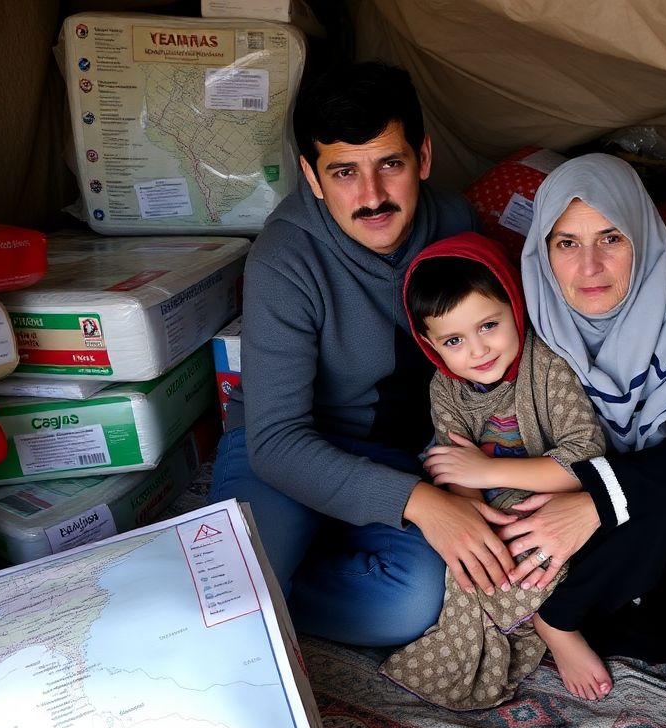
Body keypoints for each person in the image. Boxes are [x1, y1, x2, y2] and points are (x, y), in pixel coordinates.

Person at [207, 61, 516, 648]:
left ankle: (298, 571)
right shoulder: (283, 258)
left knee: (408, 605)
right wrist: (421, 504)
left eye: (390, 165)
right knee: (233, 591)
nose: (371, 197)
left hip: (402, 451)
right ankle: (272, 581)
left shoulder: (455, 222)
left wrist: (454, 481)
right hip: (287, 449)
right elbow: (275, 442)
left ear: (422, 158)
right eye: (344, 171)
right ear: (311, 176)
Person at [505, 153, 666, 699]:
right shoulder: (533, 312)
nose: (589, 267)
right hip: (574, 499)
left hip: (659, 511)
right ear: (543, 252)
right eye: (567, 243)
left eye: (611, 238)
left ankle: (555, 615)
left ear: (642, 235)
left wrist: (595, 505)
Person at [379, 232, 606, 709]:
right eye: (454, 340)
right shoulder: (445, 386)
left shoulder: (545, 364)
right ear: (431, 345)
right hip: (489, 502)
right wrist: (471, 516)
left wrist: (485, 471)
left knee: (542, 549)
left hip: (556, 495)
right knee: (465, 566)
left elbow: (585, 456)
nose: (478, 351)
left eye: (489, 325)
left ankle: (553, 626)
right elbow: (452, 467)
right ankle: (485, 639)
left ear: (514, 308)